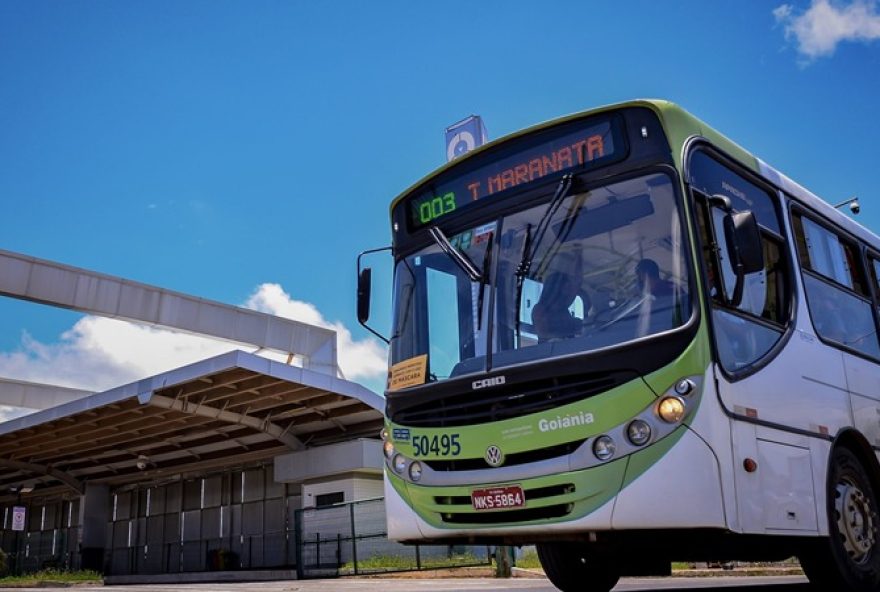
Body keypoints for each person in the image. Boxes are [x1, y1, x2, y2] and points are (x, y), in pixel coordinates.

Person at [532, 252, 589, 342]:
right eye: (566, 288)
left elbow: (577, 282)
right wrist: (572, 328)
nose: (569, 291)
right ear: (555, 289)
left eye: (569, 288)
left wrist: (578, 254)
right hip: (551, 352)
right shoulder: (540, 310)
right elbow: (544, 333)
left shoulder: (563, 308)